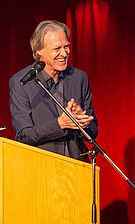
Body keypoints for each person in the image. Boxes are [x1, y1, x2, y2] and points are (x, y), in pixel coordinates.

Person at [9, 20, 98, 162]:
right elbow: (23, 136)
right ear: (39, 50)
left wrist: (83, 124)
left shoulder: (79, 78)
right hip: (42, 168)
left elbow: (94, 130)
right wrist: (60, 124)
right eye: (57, 48)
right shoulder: (22, 82)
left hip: (78, 167)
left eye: (66, 46)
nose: (64, 53)